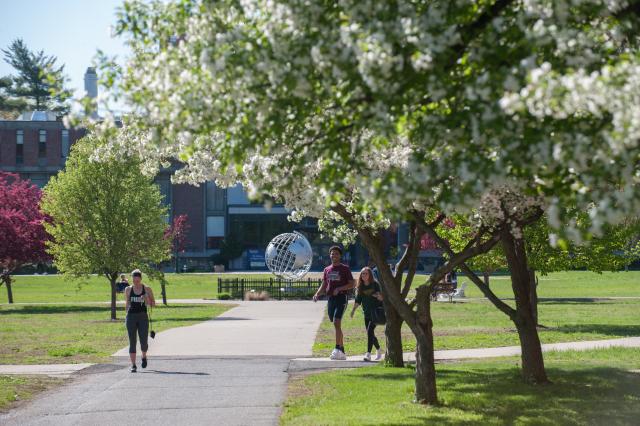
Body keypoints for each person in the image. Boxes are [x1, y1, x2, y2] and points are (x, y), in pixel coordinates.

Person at [313, 246, 355, 360]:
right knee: (335, 324)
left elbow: (352, 283)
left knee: (337, 322)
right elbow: (324, 284)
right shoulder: (327, 269)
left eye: (336, 254)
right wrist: (317, 293)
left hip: (342, 298)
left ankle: (337, 348)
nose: (333, 255)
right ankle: (342, 351)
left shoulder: (345, 269)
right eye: (332, 254)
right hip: (331, 299)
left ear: (340, 256)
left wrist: (340, 288)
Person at [350, 267, 384, 361]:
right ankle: (378, 349)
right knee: (370, 333)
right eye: (362, 274)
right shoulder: (360, 286)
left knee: (369, 331)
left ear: (370, 275)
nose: (364, 275)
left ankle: (368, 354)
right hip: (367, 313)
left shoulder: (375, 284)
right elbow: (358, 300)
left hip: (376, 312)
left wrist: (377, 295)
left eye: (366, 273)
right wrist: (353, 310)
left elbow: (382, 298)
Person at [125, 269, 156, 372]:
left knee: (143, 341)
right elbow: (127, 303)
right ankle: (133, 365)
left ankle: (144, 356)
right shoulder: (128, 289)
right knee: (132, 341)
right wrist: (126, 313)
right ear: (132, 279)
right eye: (134, 281)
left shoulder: (147, 289)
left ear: (141, 279)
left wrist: (146, 297)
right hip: (131, 317)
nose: (136, 283)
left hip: (143, 316)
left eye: (138, 281)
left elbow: (153, 304)